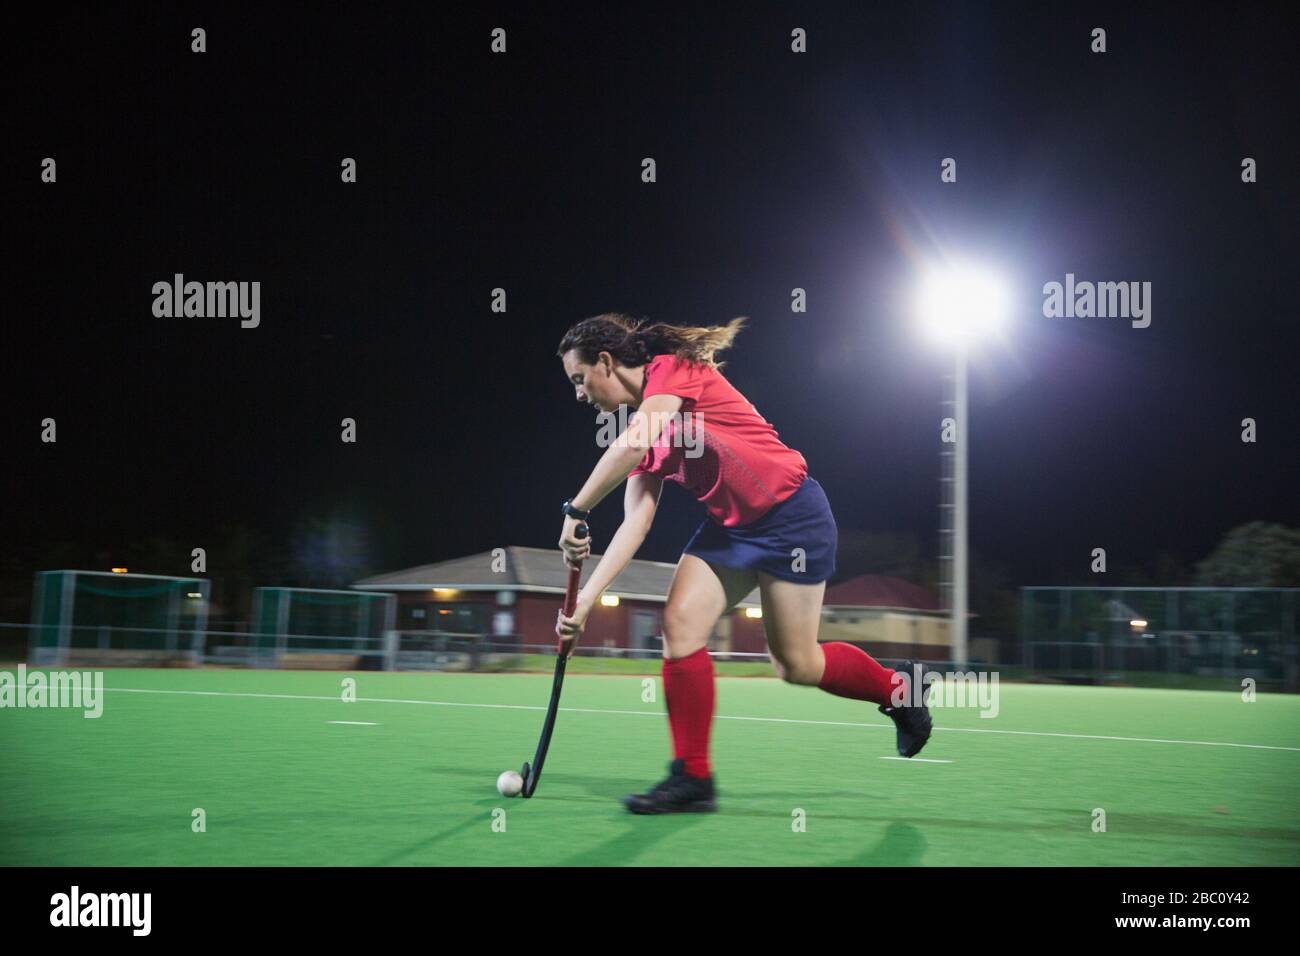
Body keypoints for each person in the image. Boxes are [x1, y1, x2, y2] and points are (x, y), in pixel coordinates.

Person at [554, 313, 931, 814]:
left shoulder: (672, 371)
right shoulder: (646, 425)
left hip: (793, 515)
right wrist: (584, 600)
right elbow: (635, 524)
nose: (580, 395)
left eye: (580, 380)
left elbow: (634, 443)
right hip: (731, 530)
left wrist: (576, 509)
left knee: (796, 664)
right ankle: (693, 778)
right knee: (679, 625)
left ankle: (900, 689)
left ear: (605, 362)